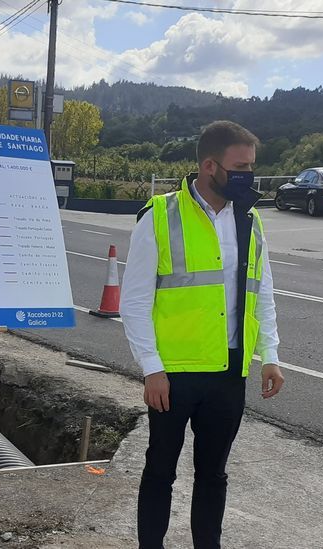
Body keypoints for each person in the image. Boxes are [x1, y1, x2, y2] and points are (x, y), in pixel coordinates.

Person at [120, 120, 285, 549]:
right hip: (173, 375)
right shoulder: (158, 216)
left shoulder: (250, 221)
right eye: (241, 166)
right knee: (160, 470)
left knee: (213, 474)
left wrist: (271, 354)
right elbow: (133, 302)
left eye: (252, 166)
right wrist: (151, 370)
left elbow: (261, 290)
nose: (249, 175)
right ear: (209, 166)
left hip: (229, 373)